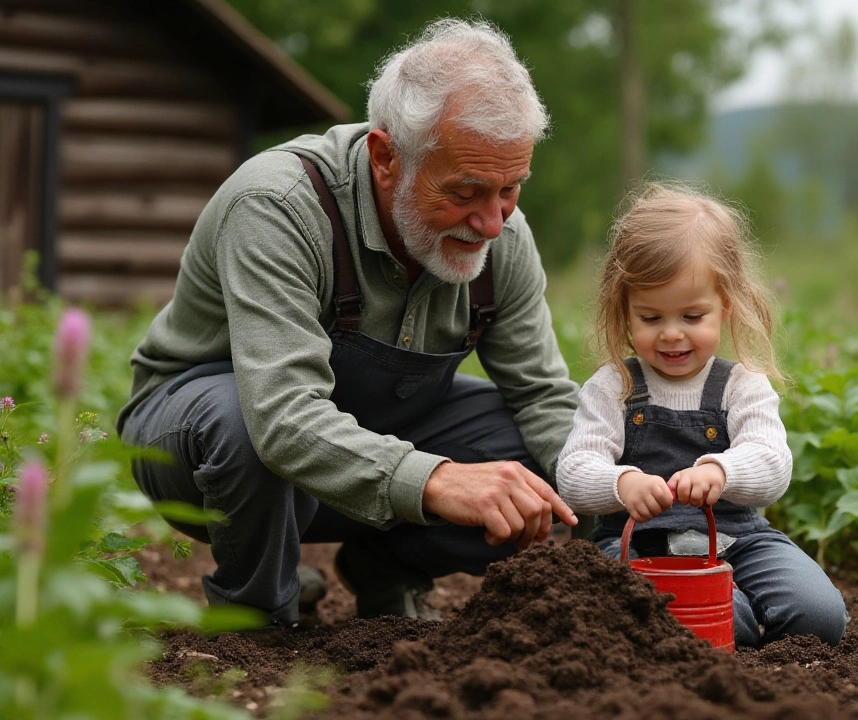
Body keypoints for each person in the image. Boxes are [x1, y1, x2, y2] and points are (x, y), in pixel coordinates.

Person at [117, 18, 579, 627]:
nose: (492, 223)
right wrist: (437, 480)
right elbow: (280, 417)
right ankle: (254, 618)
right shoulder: (277, 207)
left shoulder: (502, 237)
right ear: (386, 157)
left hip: (364, 439)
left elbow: (545, 397)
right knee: (241, 423)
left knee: (540, 452)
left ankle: (385, 567)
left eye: (510, 190)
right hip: (203, 451)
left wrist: (620, 499)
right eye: (466, 191)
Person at [556, 184, 847, 649]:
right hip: (634, 549)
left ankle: (736, 615)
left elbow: (773, 464)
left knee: (820, 615)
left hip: (739, 540)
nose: (672, 335)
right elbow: (572, 472)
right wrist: (622, 483)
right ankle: (732, 621)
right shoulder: (614, 387)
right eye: (651, 318)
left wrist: (720, 469)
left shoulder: (743, 386)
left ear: (725, 307)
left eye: (692, 316)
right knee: (699, 616)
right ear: (625, 311)